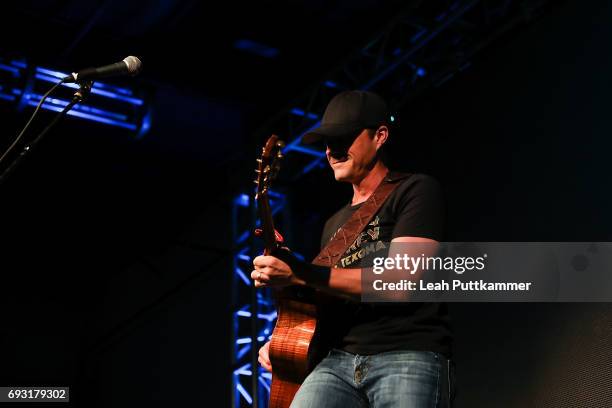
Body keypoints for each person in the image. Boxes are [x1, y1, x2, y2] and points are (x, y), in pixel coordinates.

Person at [251, 90, 454, 407]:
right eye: (327, 143)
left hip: (406, 353)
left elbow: (400, 282)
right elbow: (323, 300)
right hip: (337, 362)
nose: (332, 151)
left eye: (343, 138)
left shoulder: (415, 190)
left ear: (380, 136)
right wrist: (279, 342)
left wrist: (302, 272)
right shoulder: (333, 224)